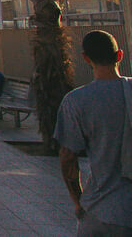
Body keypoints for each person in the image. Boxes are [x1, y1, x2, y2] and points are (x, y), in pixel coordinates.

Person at [55, 30, 132, 235]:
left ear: (86, 59)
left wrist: (78, 202)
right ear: (119, 56)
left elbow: (67, 158)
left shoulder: (76, 101)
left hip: (101, 211)